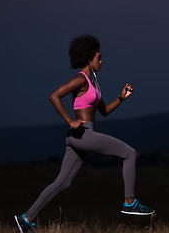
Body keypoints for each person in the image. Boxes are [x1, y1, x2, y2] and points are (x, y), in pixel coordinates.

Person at [14, 34, 155, 233]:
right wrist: (70, 120)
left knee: (63, 182)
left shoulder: (92, 83)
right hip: (83, 134)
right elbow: (54, 96)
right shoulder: (80, 79)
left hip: (78, 137)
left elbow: (104, 111)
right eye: (99, 57)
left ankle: (26, 219)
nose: (102, 61)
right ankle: (130, 202)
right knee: (130, 153)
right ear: (89, 58)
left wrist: (121, 98)